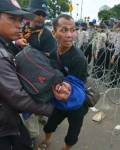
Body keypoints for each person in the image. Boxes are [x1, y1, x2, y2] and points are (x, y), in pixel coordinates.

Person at [0, 0, 56, 150]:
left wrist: (17, 46)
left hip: (27, 91)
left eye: (20, 19)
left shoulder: (46, 36)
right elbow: (18, 98)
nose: (19, 24)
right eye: (12, 18)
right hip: (7, 117)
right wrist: (56, 109)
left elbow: (52, 59)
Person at [39, 14, 89, 150]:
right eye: (64, 30)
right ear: (54, 33)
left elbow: (73, 89)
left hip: (77, 102)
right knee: (50, 125)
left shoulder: (78, 59)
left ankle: (66, 148)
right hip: (59, 101)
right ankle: (47, 139)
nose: (69, 35)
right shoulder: (55, 51)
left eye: (73, 30)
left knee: (73, 132)